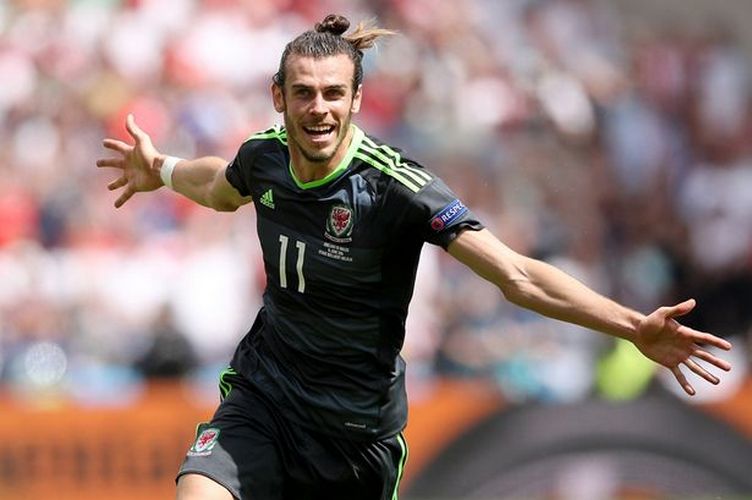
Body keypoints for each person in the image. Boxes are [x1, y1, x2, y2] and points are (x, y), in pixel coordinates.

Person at [96, 14, 733, 500]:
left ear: (356, 100)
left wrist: (632, 325)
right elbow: (218, 186)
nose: (318, 109)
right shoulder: (263, 155)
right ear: (278, 97)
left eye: (333, 94)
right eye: (304, 93)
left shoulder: (397, 187)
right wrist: (163, 169)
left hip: (355, 438)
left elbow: (516, 275)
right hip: (264, 400)